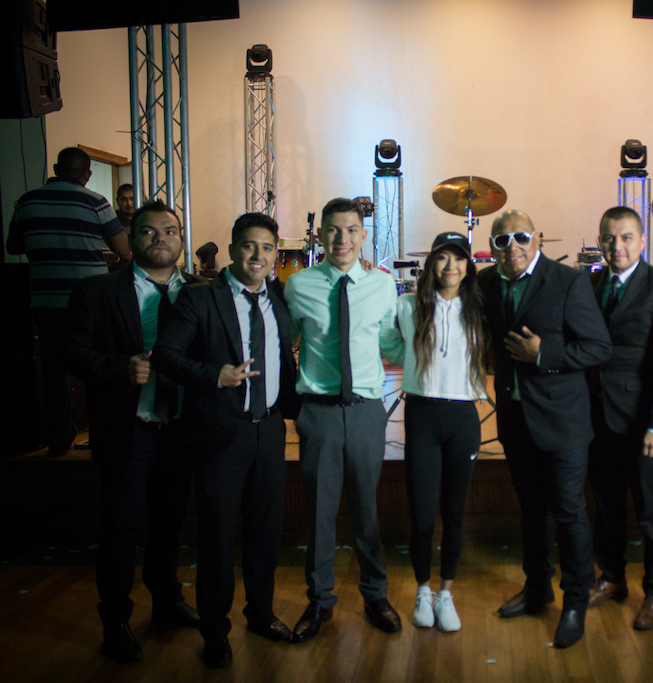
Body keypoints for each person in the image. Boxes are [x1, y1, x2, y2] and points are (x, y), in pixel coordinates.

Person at [152, 213, 300, 668]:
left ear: (275, 254)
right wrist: (212, 375)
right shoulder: (201, 298)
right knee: (217, 539)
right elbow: (164, 355)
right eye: (250, 246)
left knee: (265, 534)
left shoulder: (278, 298)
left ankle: (261, 613)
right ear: (233, 249)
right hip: (221, 435)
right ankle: (215, 631)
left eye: (268, 247)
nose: (259, 255)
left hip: (270, 432)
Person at [64, 200, 201, 663]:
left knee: (170, 523)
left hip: (180, 429)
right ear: (130, 238)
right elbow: (72, 352)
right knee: (120, 529)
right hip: (128, 428)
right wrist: (118, 366)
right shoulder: (97, 291)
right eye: (148, 231)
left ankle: (167, 602)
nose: (160, 238)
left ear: (181, 238)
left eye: (170, 230)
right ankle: (116, 620)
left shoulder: (202, 291)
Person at [480, 209, 612, 649]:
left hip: (563, 421)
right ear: (493, 246)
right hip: (516, 419)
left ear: (537, 238)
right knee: (531, 510)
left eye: (520, 237)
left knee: (570, 511)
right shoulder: (486, 283)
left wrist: (544, 353)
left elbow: (598, 346)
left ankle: (575, 600)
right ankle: (537, 587)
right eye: (502, 240)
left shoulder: (568, 281)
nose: (512, 246)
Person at [284, 198, 401, 640]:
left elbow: (390, 343)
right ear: (320, 235)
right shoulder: (299, 285)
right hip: (319, 413)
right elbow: (284, 344)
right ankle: (319, 601)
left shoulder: (382, 285)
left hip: (367, 412)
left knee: (368, 510)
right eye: (333, 230)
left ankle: (376, 595)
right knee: (319, 513)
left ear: (363, 235)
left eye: (351, 230)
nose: (342, 239)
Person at [585, 207, 653, 631]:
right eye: (609, 238)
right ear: (600, 241)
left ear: (642, 241)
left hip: (646, 425)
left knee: (652, 514)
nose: (618, 246)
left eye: (627, 237)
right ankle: (612, 578)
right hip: (598, 419)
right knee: (607, 507)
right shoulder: (591, 284)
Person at [380, 231, 488, 633]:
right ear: (431, 264)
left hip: (463, 417)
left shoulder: (479, 307)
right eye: (442, 257)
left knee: (454, 514)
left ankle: (446, 592)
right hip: (422, 415)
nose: (450, 266)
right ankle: (423, 589)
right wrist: (410, 359)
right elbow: (388, 341)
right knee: (423, 515)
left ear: (468, 265)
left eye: (458, 258)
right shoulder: (409, 305)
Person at [6, 146, 131, 456]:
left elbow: (13, 246)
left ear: (55, 168)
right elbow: (123, 249)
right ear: (87, 175)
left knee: (54, 372)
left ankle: (60, 440)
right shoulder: (96, 202)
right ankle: (101, 436)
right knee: (97, 367)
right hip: (90, 300)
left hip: (47, 301)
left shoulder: (26, 201)